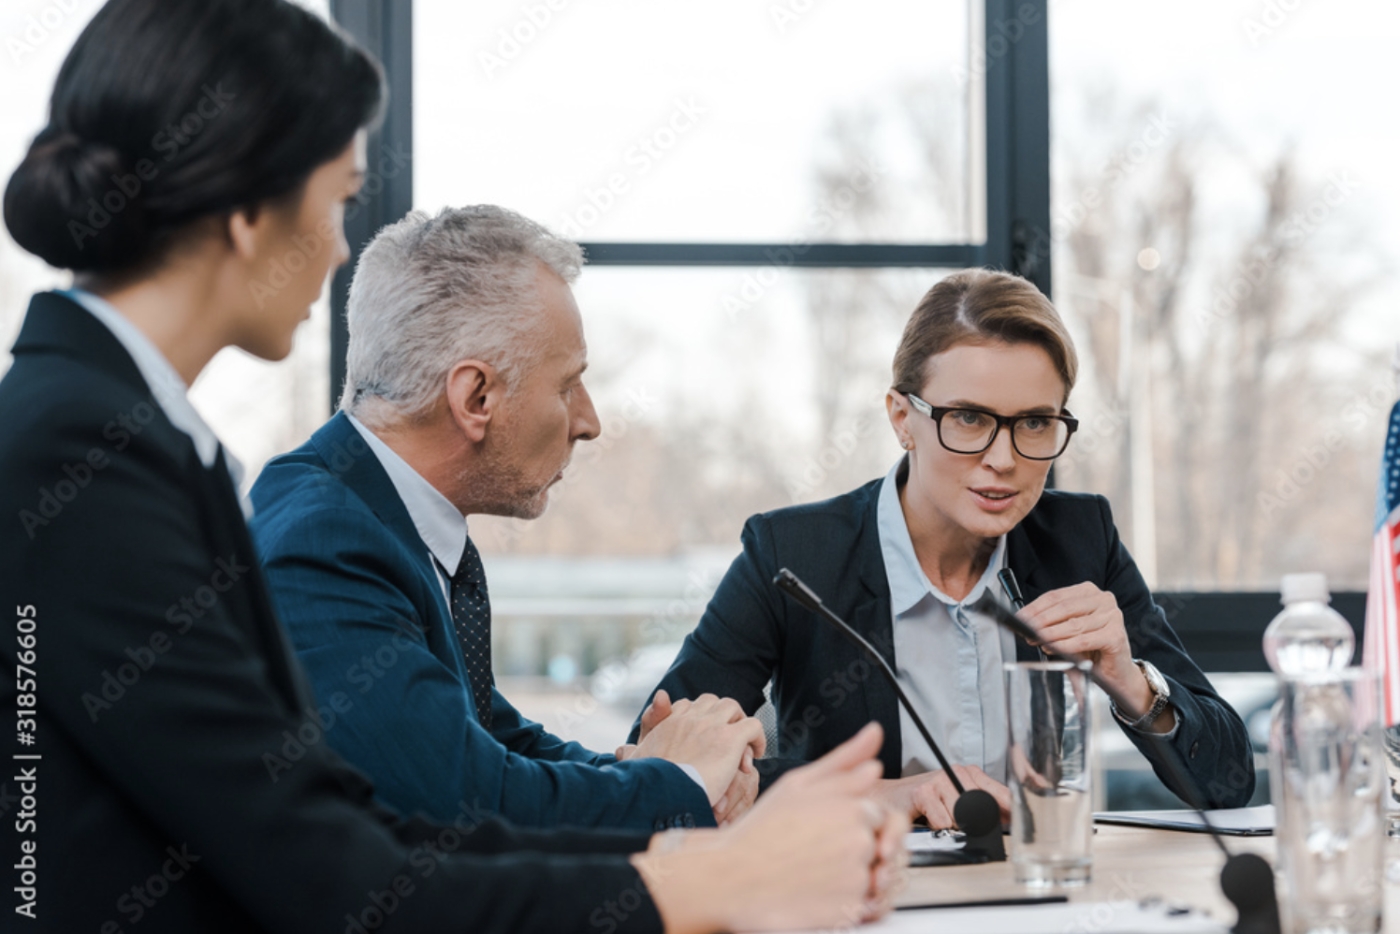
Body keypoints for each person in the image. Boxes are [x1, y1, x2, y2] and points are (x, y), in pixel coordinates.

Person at [0, 1, 906, 931]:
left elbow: (358, 823)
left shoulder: (120, 432)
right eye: (339, 198)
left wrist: (711, 825)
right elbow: (331, 870)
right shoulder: (80, 450)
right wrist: (708, 874)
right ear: (246, 211)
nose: (344, 246)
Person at [636, 268, 1256, 827]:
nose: (1003, 459)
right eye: (967, 418)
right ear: (902, 418)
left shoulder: (1078, 539)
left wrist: (1132, 681)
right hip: (858, 903)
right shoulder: (793, 555)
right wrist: (886, 796)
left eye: (1035, 423)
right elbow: (656, 766)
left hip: (1039, 898)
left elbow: (1228, 783)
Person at [248, 205, 761, 832]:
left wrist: (668, 771)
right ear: (476, 398)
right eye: (569, 384)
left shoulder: (385, 519)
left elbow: (503, 747)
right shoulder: (324, 541)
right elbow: (467, 800)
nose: (589, 421)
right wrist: (674, 781)